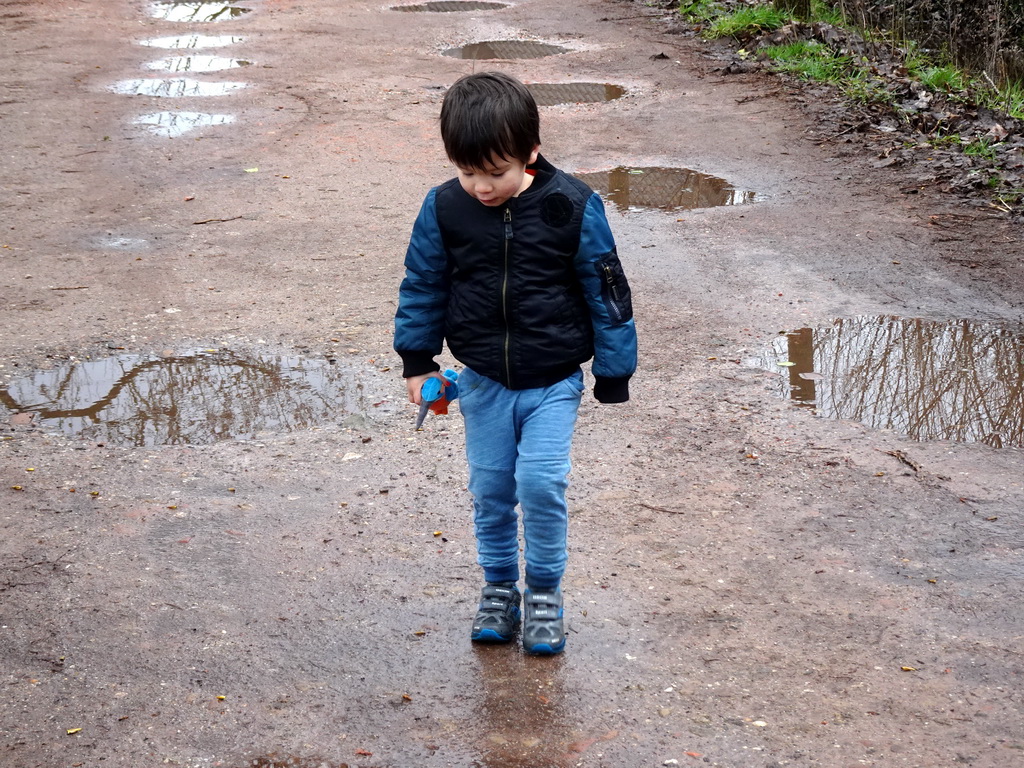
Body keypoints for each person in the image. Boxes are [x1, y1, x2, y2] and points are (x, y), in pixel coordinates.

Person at [394, 71, 637, 655]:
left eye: (495, 172)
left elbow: (607, 290)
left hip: (553, 380)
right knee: (492, 487)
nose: (480, 187)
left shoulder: (573, 204)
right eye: (468, 171)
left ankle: (546, 594)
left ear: (531, 152)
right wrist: (418, 361)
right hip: (482, 381)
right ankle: (500, 590)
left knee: (540, 481)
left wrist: (613, 369)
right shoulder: (444, 208)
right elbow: (423, 284)